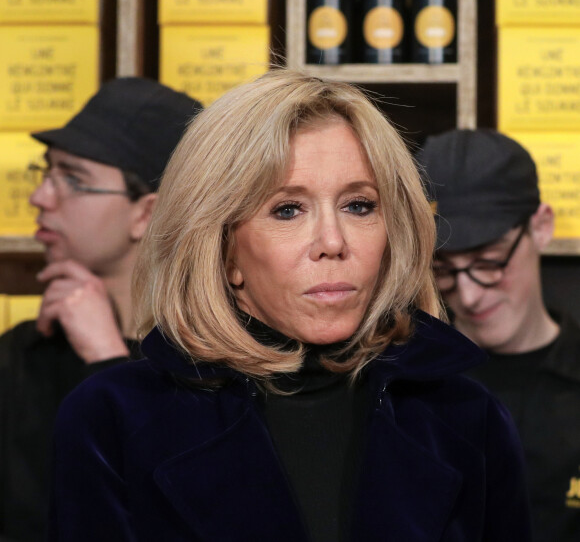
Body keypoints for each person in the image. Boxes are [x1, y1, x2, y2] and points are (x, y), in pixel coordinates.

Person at [48, 70, 531, 541]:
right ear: (223, 248)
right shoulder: (112, 419)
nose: (333, 241)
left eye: (359, 205)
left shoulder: (466, 417)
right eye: (287, 210)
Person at [0, 77, 202, 542]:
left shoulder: (213, 370)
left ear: (146, 213)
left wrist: (107, 362)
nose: (40, 198)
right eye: (46, 172)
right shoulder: (21, 354)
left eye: (73, 180)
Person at [416, 128, 580, 542]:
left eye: (488, 262)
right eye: (443, 269)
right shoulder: (405, 387)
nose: (468, 295)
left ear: (541, 227)